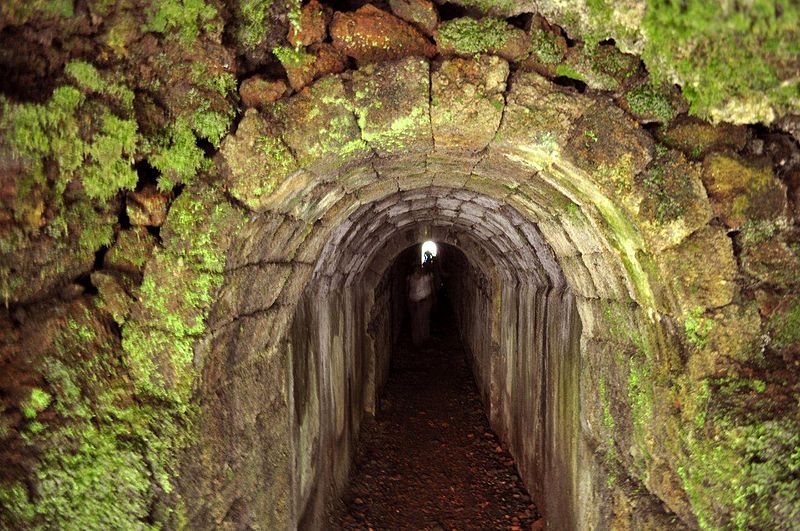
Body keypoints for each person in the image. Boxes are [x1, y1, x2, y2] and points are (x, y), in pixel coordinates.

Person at [407, 262, 434, 346]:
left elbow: (432, 287)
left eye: (419, 268)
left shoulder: (426, 277)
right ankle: (417, 339)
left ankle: (424, 338)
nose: (418, 270)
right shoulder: (410, 278)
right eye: (416, 269)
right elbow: (407, 289)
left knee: (423, 319)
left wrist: (433, 297)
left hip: (424, 300)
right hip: (413, 300)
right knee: (415, 320)